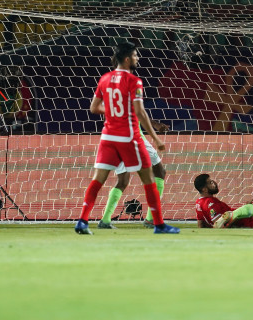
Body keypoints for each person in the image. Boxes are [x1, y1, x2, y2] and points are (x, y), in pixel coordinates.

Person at [75, 41, 180, 235]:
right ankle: (158, 224)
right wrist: (156, 138)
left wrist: (115, 112)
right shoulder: (134, 81)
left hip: (108, 137)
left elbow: (93, 108)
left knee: (98, 180)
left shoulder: (105, 79)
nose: (137, 58)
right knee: (150, 179)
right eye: (135, 55)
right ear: (127, 58)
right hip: (129, 137)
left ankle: (82, 221)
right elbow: (139, 112)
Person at [97, 120, 169, 229]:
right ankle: (151, 219)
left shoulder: (110, 104)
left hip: (116, 141)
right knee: (159, 172)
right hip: (135, 139)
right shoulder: (131, 103)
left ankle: (105, 220)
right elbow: (139, 112)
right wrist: (156, 132)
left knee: (122, 180)